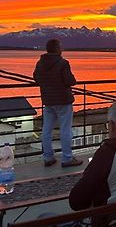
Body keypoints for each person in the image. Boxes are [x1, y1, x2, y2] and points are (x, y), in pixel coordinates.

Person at [33, 39, 82, 167]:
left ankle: (48, 157)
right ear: (57, 49)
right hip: (63, 101)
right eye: (60, 47)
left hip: (48, 101)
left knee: (46, 130)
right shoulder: (63, 63)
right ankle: (67, 158)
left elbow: (36, 78)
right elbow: (70, 81)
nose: (62, 49)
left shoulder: (40, 63)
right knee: (65, 129)